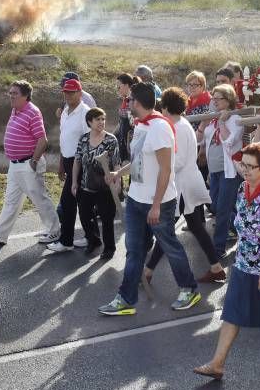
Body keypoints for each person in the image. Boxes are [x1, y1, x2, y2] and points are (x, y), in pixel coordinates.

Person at [193, 142, 260, 380]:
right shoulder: (243, 189)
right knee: (232, 312)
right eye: (243, 164)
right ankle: (217, 363)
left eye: (251, 166)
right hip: (243, 263)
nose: (245, 170)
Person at [99, 83, 200, 315]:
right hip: (136, 199)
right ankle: (126, 299)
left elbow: (166, 170)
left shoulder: (159, 128)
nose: (127, 103)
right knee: (134, 250)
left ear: (138, 102)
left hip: (159, 202)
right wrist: (119, 173)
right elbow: (138, 161)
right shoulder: (142, 125)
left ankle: (189, 289)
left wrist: (156, 205)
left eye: (130, 100)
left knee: (170, 246)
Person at [144, 88, 225, 284]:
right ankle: (216, 268)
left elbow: (176, 162)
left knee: (167, 231)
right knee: (196, 227)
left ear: (165, 107)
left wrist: (158, 167)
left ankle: (147, 272)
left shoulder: (176, 127)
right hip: (188, 182)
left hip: (182, 186)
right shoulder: (181, 123)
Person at [0, 81, 60, 246]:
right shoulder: (15, 110)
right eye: (10, 93)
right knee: (11, 200)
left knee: (39, 198)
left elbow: (42, 140)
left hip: (28, 164)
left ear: (25, 96)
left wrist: (33, 161)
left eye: (15, 93)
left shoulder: (32, 112)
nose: (11, 96)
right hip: (15, 164)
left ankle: (55, 231)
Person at [197, 84, 244, 258]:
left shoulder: (235, 118)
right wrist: (205, 122)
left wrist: (223, 122)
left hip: (229, 171)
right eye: (213, 99)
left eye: (218, 99)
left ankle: (218, 249)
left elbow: (228, 141)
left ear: (228, 99)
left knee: (222, 210)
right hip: (215, 171)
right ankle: (242, 222)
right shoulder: (213, 119)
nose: (214, 102)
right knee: (215, 205)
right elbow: (200, 139)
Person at [46, 79, 90, 253]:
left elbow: (89, 142)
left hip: (80, 163)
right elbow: (65, 139)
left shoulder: (85, 112)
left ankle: (67, 241)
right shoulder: (65, 111)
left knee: (68, 202)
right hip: (68, 161)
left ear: (80, 93)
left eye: (72, 92)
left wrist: (82, 166)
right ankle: (90, 237)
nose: (68, 95)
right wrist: (61, 164)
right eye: (66, 92)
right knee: (79, 202)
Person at [72, 107, 119, 259]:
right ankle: (93, 240)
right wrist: (74, 182)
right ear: (89, 122)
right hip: (87, 186)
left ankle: (109, 248)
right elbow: (77, 161)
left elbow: (116, 164)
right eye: (97, 119)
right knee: (85, 216)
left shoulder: (111, 140)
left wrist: (117, 183)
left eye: (103, 119)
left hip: (105, 187)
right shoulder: (83, 139)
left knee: (107, 219)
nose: (101, 122)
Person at [115, 73, 139, 163]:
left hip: (131, 139)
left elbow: (133, 122)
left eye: (119, 87)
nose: (117, 89)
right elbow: (121, 121)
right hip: (124, 137)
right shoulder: (125, 100)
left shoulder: (133, 101)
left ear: (126, 85)